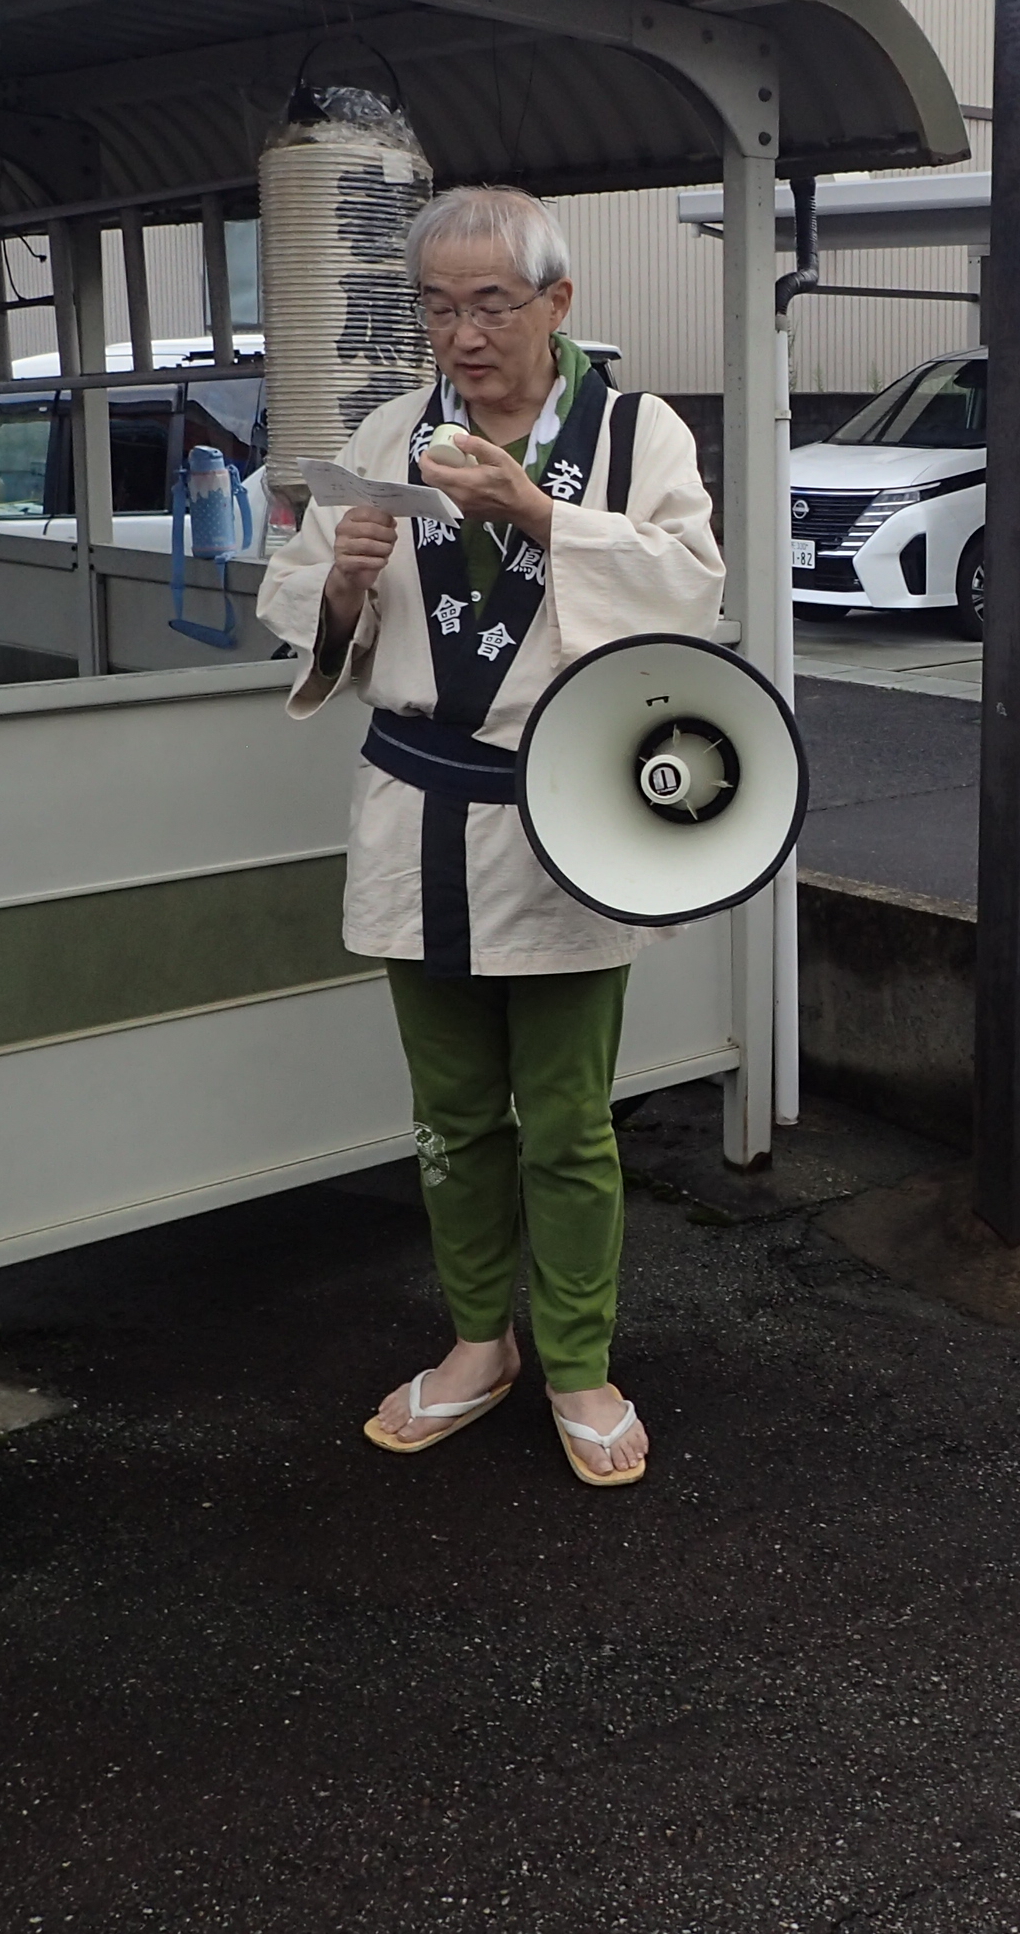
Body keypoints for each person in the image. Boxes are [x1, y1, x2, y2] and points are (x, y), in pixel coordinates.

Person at [257, 184, 723, 1489]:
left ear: (556, 302)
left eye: (491, 305)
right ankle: (479, 1342)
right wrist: (343, 581)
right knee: (452, 1116)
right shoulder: (389, 433)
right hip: (418, 808)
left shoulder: (635, 433)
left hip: (568, 816)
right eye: (437, 307)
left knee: (568, 1120)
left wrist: (541, 515)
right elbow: (299, 603)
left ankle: (578, 1359)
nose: (461, 335)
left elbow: (692, 589)